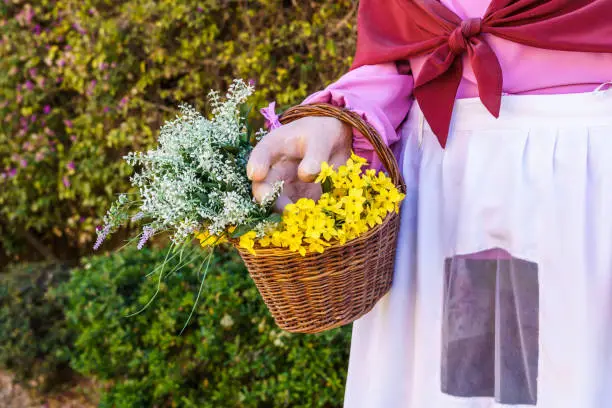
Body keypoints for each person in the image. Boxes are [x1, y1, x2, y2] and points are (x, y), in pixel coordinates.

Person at [247, 1, 612, 407]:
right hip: (442, 192)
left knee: (579, 378)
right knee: (459, 389)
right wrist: (342, 123)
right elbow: (397, 60)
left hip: (586, 189)